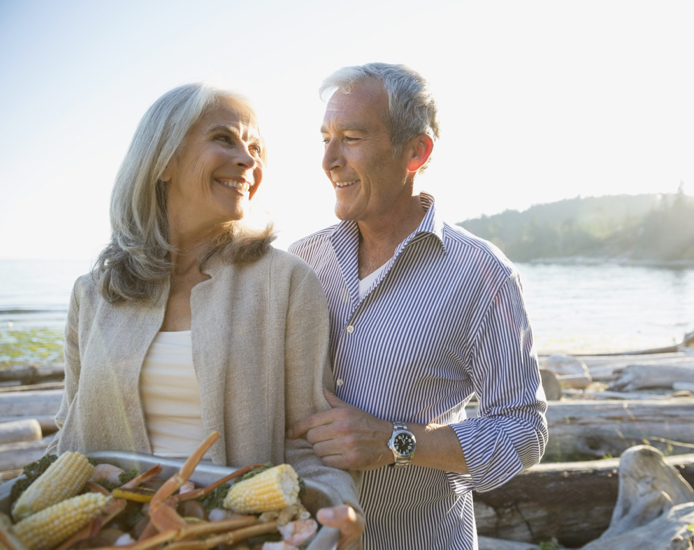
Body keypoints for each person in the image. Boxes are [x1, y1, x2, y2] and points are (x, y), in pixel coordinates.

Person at [46, 83, 363, 548]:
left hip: (231, 534)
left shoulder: (288, 283)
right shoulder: (93, 293)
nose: (248, 161)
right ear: (164, 160)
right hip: (104, 533)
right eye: (224, 139)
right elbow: (68, 435)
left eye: (255, 149)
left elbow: (308, 445)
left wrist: (338, 512)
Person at [288, 63, 549, 550]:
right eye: (325, 137)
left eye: (351, 137)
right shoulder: (299, 263)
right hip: (307, 537)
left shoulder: (482, 274)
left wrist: (395, 442)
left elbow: (524, 432)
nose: (328, 159)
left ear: (415, 150)